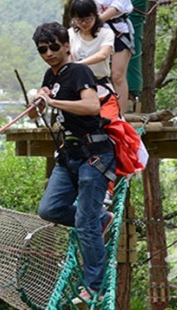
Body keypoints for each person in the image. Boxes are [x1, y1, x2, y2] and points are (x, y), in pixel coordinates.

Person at [30, 22, 115, 303]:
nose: (49, 53)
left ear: (67, 45)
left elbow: (92, 106)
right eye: (43, 49)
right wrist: (37, 105)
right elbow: (40, 111)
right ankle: (101, 219)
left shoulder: (80, 71)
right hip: (70, 156)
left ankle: (95, 287)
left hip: (95, 153)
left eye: (54, 46)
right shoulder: (50, 75)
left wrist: (54, 103)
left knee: (85, 221)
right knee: (50, 209)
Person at [80, 0, 135, 115]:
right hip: (94, 33)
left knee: (117, 75)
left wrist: (96, 21)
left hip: (118, 30)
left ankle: (121, 114)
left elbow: (116, 7)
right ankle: (96, 110)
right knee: (94, 73)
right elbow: (81, 6)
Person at [69, 0, 120, 120]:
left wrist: (78, 65)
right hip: (77, 87)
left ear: (96, 16)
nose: (84, 23)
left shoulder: (106, 34)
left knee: (111, 123)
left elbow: (103, 55)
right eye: (79, 20)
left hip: (100, 86)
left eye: (88, 19)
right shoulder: (70, 34)